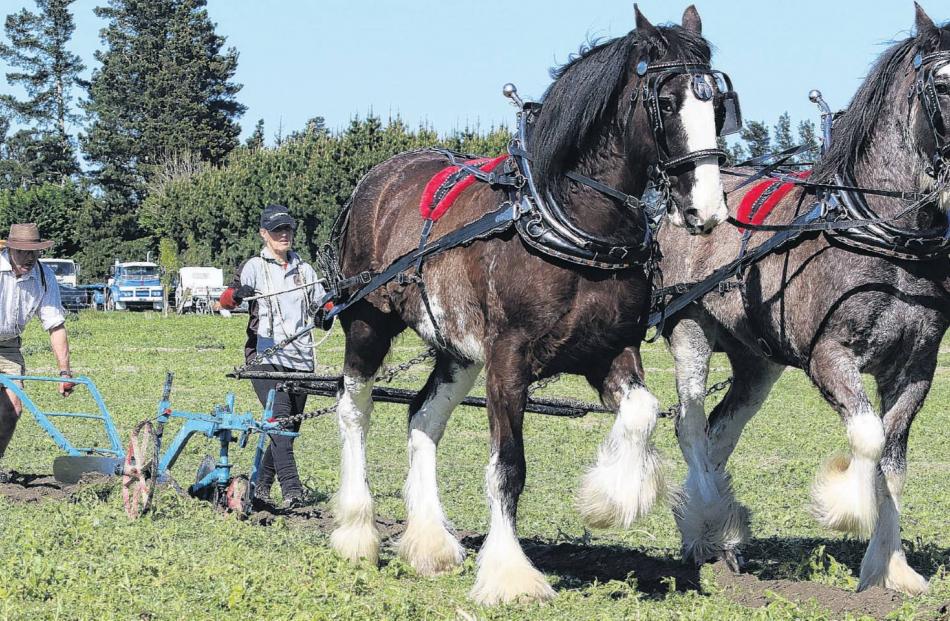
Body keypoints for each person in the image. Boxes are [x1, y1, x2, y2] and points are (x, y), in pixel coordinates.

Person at [220, 205, 326, 508]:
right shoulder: (255, 265)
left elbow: (323, 307)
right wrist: (237, 295)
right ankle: (293, 491)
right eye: (277, 230)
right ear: (264, 234)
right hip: (266, 357)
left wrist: (329, 313)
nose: (284, 235)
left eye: (288, 229)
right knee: (280, 425)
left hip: (302, 359)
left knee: (287, 431)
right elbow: (224, 301)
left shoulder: (305, 270)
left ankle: (261, 487)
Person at [0, 223, 74, 482]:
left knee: (13, 408)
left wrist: (64, 371)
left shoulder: (44, 277)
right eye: (22, 252)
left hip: (9, 345)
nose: (29, 257)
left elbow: (55, 325)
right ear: (10, 249)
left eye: (34, 252)